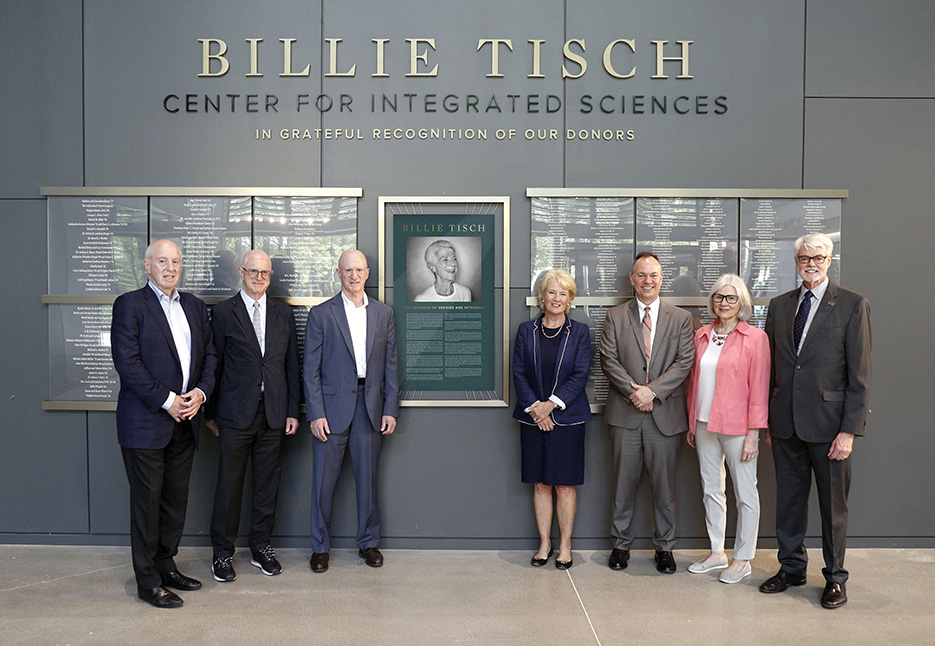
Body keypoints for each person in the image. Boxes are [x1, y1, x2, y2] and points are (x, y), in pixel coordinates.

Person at [759, 233, 871, 609]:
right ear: (796, 261)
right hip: (786, 424)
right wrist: (770, 421)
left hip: (830, 427)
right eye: (805, 257)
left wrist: (849, 431)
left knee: (832, 508)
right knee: (789, 504)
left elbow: (860, 375)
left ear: (830, 259)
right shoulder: (779, 306)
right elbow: (772, 369)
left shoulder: (853, 305)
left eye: (819, 257)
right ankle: (791, 568)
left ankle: (836, 578)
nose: (811, 262)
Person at [110, 239, 217, 609]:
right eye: (162, 261)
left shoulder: (194, 306)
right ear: (146, 265)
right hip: (146, 422)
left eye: (175, 261)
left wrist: (200, 393)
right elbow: (127, 363)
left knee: (174, 501)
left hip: (186, 420)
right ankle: (148, 581)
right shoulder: (130, 305)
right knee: (147, 502)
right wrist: (169, 400)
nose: (170, 267)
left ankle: (167, 565)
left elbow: (211, 357)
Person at [206, 250, 300, 582]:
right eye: (253, 271)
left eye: (265, 273)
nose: (259, 278)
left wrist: (292, 410)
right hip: (234, 414)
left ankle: (261, 547)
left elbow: (291, 366)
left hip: (274, 413)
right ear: (241, 272)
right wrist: (211, 412)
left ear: (270, 276)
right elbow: (212, 365)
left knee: (266, 486)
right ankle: (221, 554)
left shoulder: (282, 313)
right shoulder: (223, 312)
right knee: (229, 487)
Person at [304, 249, 399, 573]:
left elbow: (390, 366)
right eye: (348, 270)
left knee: (368, 482)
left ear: (367, 273)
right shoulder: (321, 314)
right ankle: (320, 548)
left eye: (359, 270)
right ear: (338, 273)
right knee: (322, 484)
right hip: (330, 410)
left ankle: (368, 544)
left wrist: (390, 408)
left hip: (370, 406)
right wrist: (316, 413)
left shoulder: (384, 314)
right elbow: (310, 371)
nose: (354, 276)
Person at [599, 251, 694, 573]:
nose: (647, 281)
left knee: (665, 489)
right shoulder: (615, 316)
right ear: (632, 279)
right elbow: (608, 360)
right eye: (641, 275)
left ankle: (664, 549)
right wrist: (634, 392)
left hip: (664, 416)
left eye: (653, 275)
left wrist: (652, 391)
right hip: (625, 417)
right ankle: (620, 545)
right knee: (622, 487)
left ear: (661, 278)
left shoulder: (680, 318)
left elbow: (684, 362)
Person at [685, 274, 769, 584]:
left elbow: (759, 387)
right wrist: (692, 421)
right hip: (704, 424)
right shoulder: (702, 335)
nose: (724, 303)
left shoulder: (755, 338)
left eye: (731, 298)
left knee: (745, 493)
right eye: (719, 297)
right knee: (711, 490)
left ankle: (743, 558)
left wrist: (754, 432)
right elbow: (694, 382)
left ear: (742, 303)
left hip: (737, 427)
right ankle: (717, 552)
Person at [512, 269, 592, 570]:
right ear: (542, 297)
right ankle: (544, 543)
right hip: (533, 419)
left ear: (570, 299)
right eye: (552, 292)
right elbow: (518, 372)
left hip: (567, 419)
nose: (556, 298)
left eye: (563, 293)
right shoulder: (525, 331)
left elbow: (580, 374)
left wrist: (551, 406)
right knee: (541, 484)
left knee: (565, 485)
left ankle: (566, 546)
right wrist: (537, 408)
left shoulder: (581, 332)